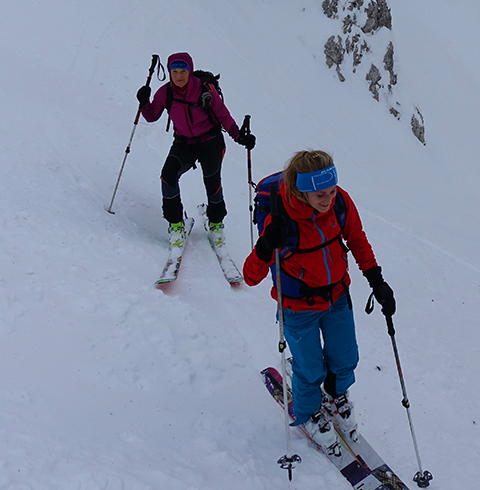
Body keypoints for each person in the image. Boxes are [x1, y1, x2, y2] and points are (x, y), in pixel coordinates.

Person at [243, 150, 395, 455]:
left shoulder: (339, 202)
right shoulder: (279, 218)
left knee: (345, 358)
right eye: (319, 194)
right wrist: (264, 246)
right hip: (298, 308)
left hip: (338, 297)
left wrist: (377, 280)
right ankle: (308, 412)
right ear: (301, 192)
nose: (327, 199)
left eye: (331, 190)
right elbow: (250, 276)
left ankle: (337, 395)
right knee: (310, 368)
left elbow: (357, 240)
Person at [137, 52, 256, 247]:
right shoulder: (165, 93)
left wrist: (240, 137)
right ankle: (176, 224)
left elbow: (224, 116)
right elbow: (151, 116)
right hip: (184, 143)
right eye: (174, 71)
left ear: (190, 70)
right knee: (168, 176)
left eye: (183, 70)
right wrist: (143, 103)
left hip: (211, 142)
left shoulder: (205, 90)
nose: (179, 76)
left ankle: (216, 223)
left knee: (212, 181)